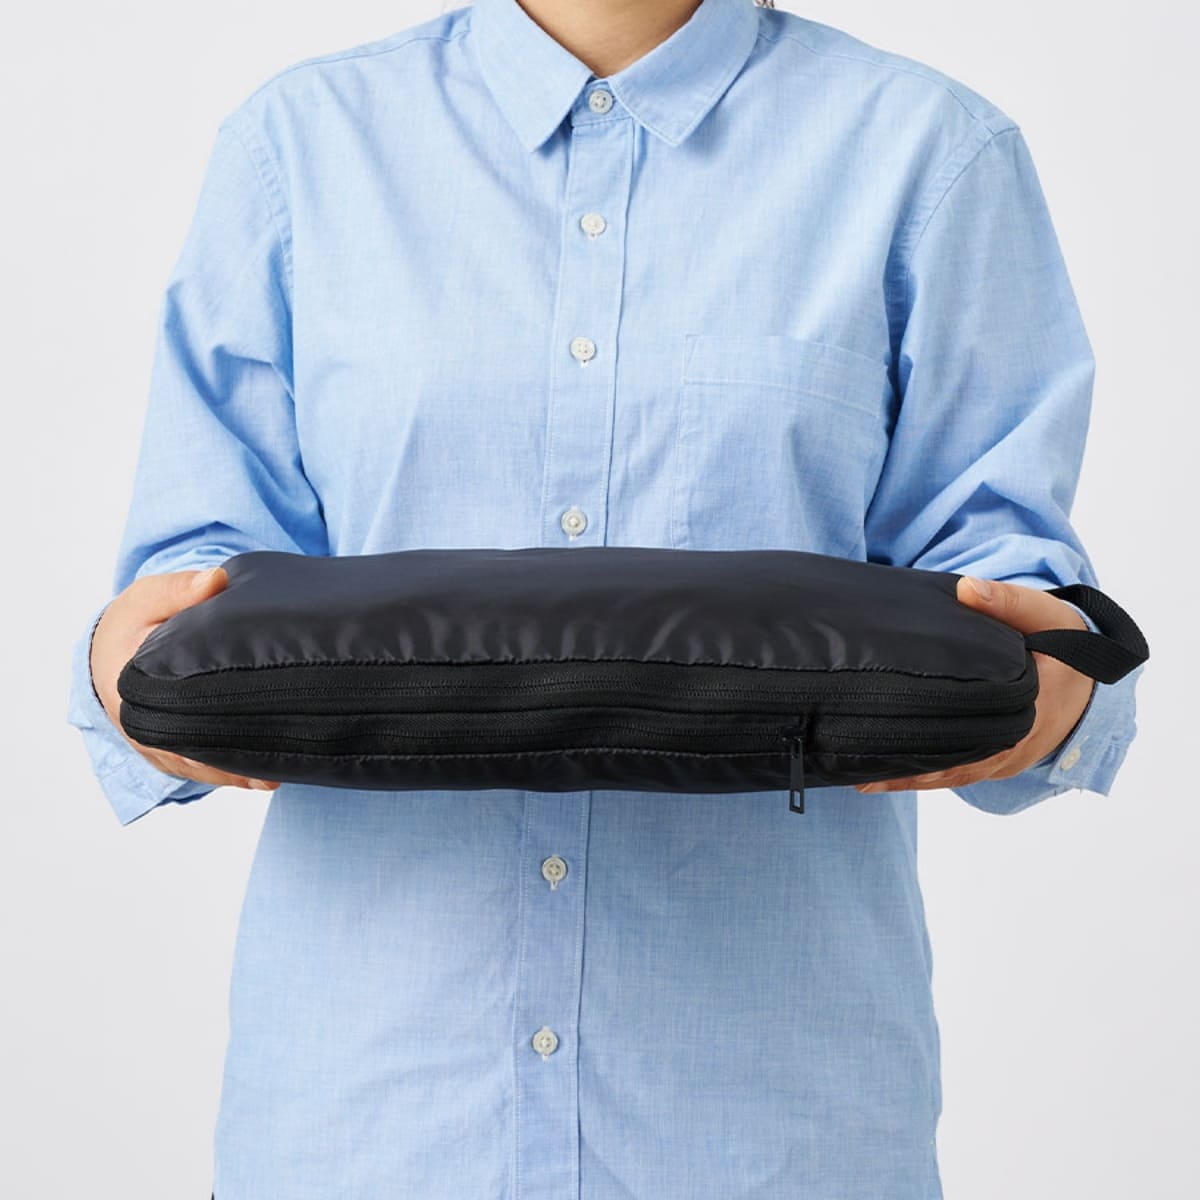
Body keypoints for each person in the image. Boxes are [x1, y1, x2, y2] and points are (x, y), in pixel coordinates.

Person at [67, 0, 1144, 1196]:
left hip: (771, 1132)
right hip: (370, 1123)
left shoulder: (928, 152)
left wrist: (1058, 687)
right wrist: (121, 662)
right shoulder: (301, 144)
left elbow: (1005, 583)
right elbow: (196, 580)